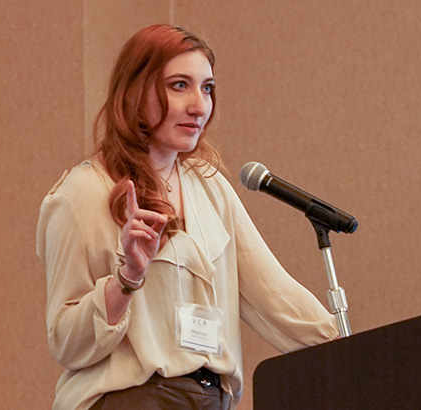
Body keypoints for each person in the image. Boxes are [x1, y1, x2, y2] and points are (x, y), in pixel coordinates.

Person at [36, 24, 338, 410]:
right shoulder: (81, 194)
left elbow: (276, 297)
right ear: (135, 90)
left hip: (213, 400)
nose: (200, 105)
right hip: (131, 399)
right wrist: (127, 279)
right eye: (180, 85)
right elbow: (65, 342)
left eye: (207, 87)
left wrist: (354, 353)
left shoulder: (210, 188)